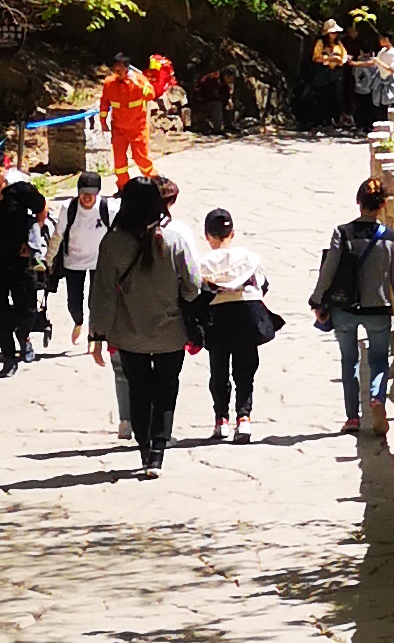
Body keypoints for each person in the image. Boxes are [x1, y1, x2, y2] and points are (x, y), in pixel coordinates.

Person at [89, 175, 203, 475]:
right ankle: (157, 451)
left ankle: (143, 447)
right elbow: (193, 285)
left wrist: (98, 333)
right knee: (166, 389)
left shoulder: (113, 242)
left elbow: (101, 292)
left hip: (129, 332)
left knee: (138, 389)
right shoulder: (174, 237)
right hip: (171, 330)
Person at [311, 178, 394, 437]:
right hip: (378, 309)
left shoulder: (341, 233)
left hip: (345, 308)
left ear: (358, 203)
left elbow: (329, 270)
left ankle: (352, 417)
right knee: (378, 359)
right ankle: (377, 397)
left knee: (349, 360)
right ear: (384, 205)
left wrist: (318, 300)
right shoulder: (391, 237)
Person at [198, 206, 270, 440]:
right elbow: (263, 284)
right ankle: (244, 418)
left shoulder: (203, 263)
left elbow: (195, 291)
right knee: (245, 369)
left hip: (217, 318)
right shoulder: (249, 258)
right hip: (245, 315)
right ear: (232, 233)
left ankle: (221, 420)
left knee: (219, 371)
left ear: (207, 235)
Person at [0, 142, 46, 373]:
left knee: (28, 312)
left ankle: (23, 337)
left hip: (20, 262)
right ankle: (8, 358)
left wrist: (33, 239)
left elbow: (41, 208)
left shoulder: (20, 192)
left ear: (4, 170)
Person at [47, 171, 113, 345]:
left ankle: (93, 333)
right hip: (73, 261)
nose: (87, 198)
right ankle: (78, 322)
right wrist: (47, 260)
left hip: (99, 262)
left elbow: (120, 235)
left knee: (96, 302)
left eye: (91, 194)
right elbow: (57, 236)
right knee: (73, 303)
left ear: (97, 193)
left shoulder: (108, 209)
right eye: (83, 193)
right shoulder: (69, 208)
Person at [97, 57, 154, 182]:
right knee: (119, 161)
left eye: (120, 69)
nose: (117, 72)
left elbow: (151, 95)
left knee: (141, 158)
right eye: (115, 69)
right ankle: (122, 186)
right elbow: (104, 103)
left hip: (137, 128)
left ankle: (156, 182)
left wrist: (137, 84)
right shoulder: (109, 83)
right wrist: (103, 121)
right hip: (119, 128)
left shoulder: (140, 80)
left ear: (127, 68)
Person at [308, 20, 349, 130]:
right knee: (322, 96)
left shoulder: (338, 44)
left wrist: (341, 60)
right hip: (323, 72)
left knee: (335, 97)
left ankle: (332, 120)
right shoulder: (320, 42)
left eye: (336, 33)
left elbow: (344, 55)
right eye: (332, 32)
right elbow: (316, 58)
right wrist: (330, 58)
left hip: (335, 73)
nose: (335, 35)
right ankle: (320, 121)